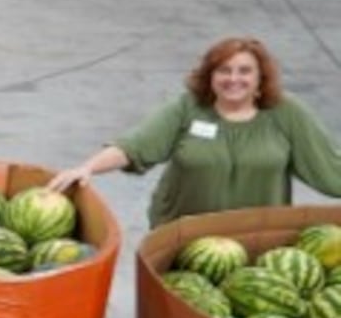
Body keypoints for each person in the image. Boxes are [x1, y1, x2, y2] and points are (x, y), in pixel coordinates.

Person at [48, 36, 341, 226]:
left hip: (256, 241)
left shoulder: (284, 112)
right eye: (223, 70)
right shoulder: (189, 108)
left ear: (261, 78)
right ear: (210, 76)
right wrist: (86, 168)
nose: (233, 79)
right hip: (183, 237)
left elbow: (330, 169)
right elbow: (135, 145)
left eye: (244, 71)